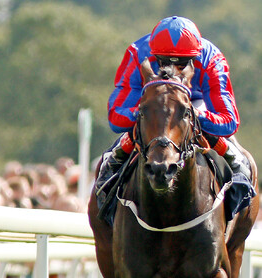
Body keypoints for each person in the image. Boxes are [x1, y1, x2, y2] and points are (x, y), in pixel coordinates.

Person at [96, 16, 253, 221]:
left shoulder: (212, 59)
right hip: (151, 102)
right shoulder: (137, 53)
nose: (172, 69)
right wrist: (144, 113)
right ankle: (106, 190)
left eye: (181, 63)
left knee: (241, 161)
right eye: (164, 61)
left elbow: (228, 121)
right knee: (111, 156)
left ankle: (238, 175)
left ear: (194, 58)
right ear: (153, 55)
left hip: (194, 103)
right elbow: (116, 117)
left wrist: (193, 116)